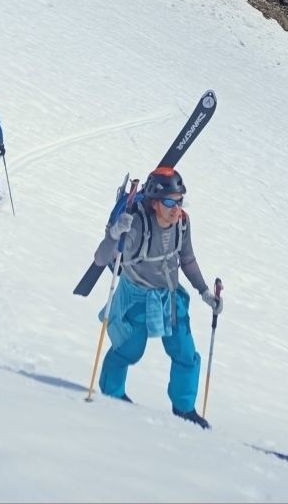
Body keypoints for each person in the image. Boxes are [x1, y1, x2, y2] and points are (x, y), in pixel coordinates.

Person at [91, 166, 222, 428]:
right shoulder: (136, 226)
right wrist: (114, 234)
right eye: (169, 202)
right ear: (154, 203)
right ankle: (112, 395)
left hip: (170, 297)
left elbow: (187, 259)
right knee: (129, 349)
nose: (176, 208)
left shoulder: (182, 223)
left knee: (185, 352)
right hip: (137, 297)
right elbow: (101, 258)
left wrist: (204, 291)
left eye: (179, 200)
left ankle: (184, 409)